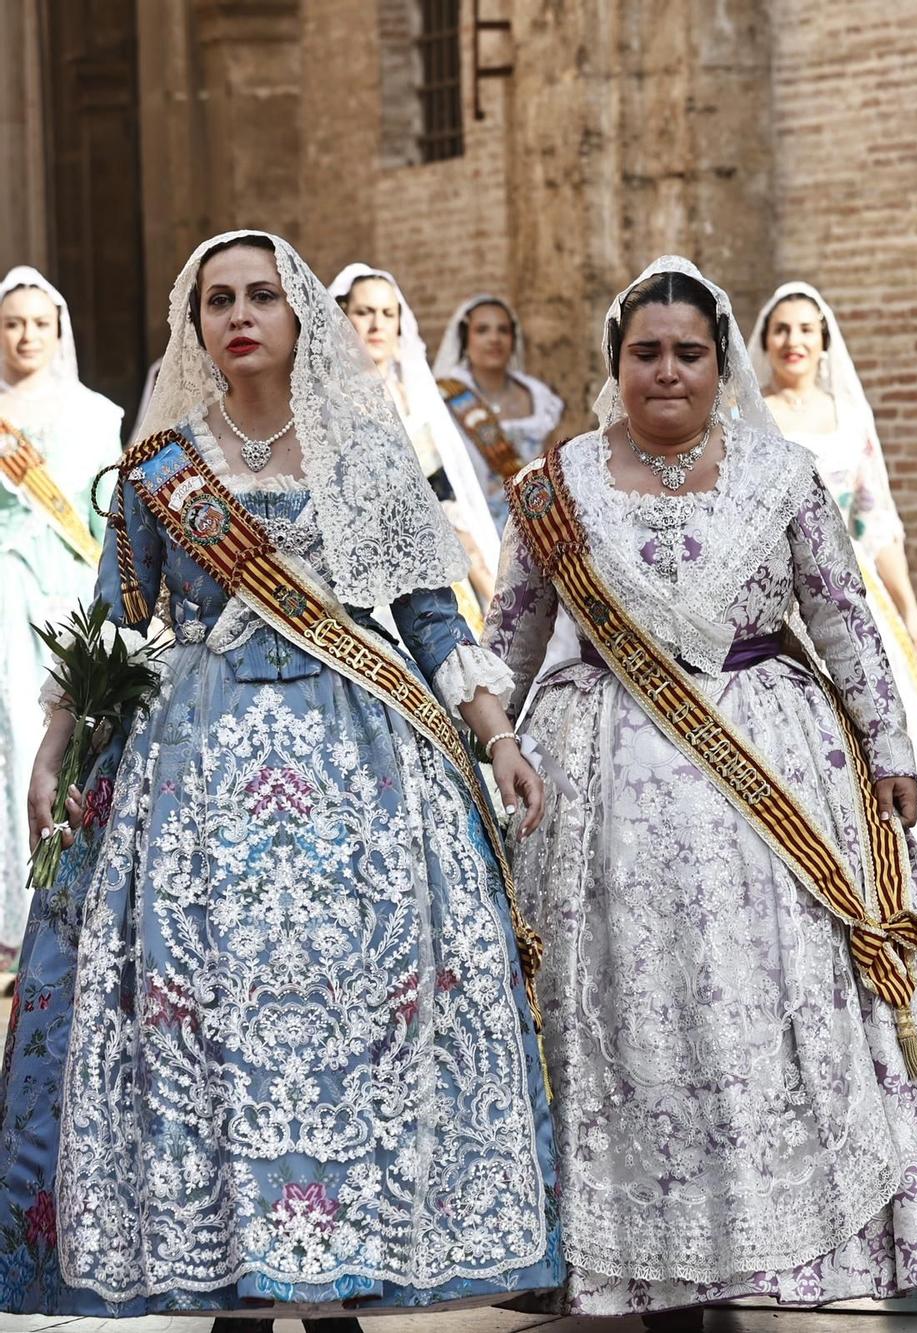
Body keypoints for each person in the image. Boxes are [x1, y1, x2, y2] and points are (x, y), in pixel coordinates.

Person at [0, 230, 562, 1319]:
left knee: (351, 1023)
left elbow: (432, 616)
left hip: (363, 762)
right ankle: (229, 1271)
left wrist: (497, 735)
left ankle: (347, 1266)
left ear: (299, 314)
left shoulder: (364, 450)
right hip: (192, 773)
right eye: (220, 300)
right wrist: (55, 740)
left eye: (263, 294)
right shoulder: (162, 467)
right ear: (196, 324)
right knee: (205, 1017)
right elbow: (117, 620)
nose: (241, 314)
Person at [481, 256, 917, 1326]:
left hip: (773, 780)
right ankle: (625, 1246)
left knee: (771, 998)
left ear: (718, 365)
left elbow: (843, 615)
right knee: (625, 1008)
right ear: (614, 364)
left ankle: (782, 1238)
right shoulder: (556, 485)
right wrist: (491, 737)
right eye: (645, 354)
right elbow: (509, 633)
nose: (665, 372)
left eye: (686, 354)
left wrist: (890, 749)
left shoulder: (780, 478)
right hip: (600, 798)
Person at [752, 281, 917, 789]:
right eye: (782, 329)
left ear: (825, 341)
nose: (795, 340)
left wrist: (910, 609)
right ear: (765, 341)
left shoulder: (851, 419)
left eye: (807, 330)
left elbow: (875, 521)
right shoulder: (747, 418)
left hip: (850, 582)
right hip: (773, 583)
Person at [0, 267, 123, 963]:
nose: (26, 336)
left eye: (38, 324)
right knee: (10, 734)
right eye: (13, 323)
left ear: (59, 331)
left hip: (72, 586)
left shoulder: (95, 414)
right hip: (4, 589)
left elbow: (108, 516)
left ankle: (62, 899)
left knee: (70, 732)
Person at [327, 263, 500, 617]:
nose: (377, 325)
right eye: (364, 312)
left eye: (388, 314)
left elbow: (442, 493)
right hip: (356, 566)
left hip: (427, 561)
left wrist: (485, 581)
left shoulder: (414, 398)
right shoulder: (327, 400)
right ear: (343, 316)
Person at [431, 294, 565, 526]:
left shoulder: (539, 395)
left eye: (503, 330)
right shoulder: (446, 395)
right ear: (465, 338)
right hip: (467, 525)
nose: (494, 339)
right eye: (482, 330)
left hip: (531, 525)